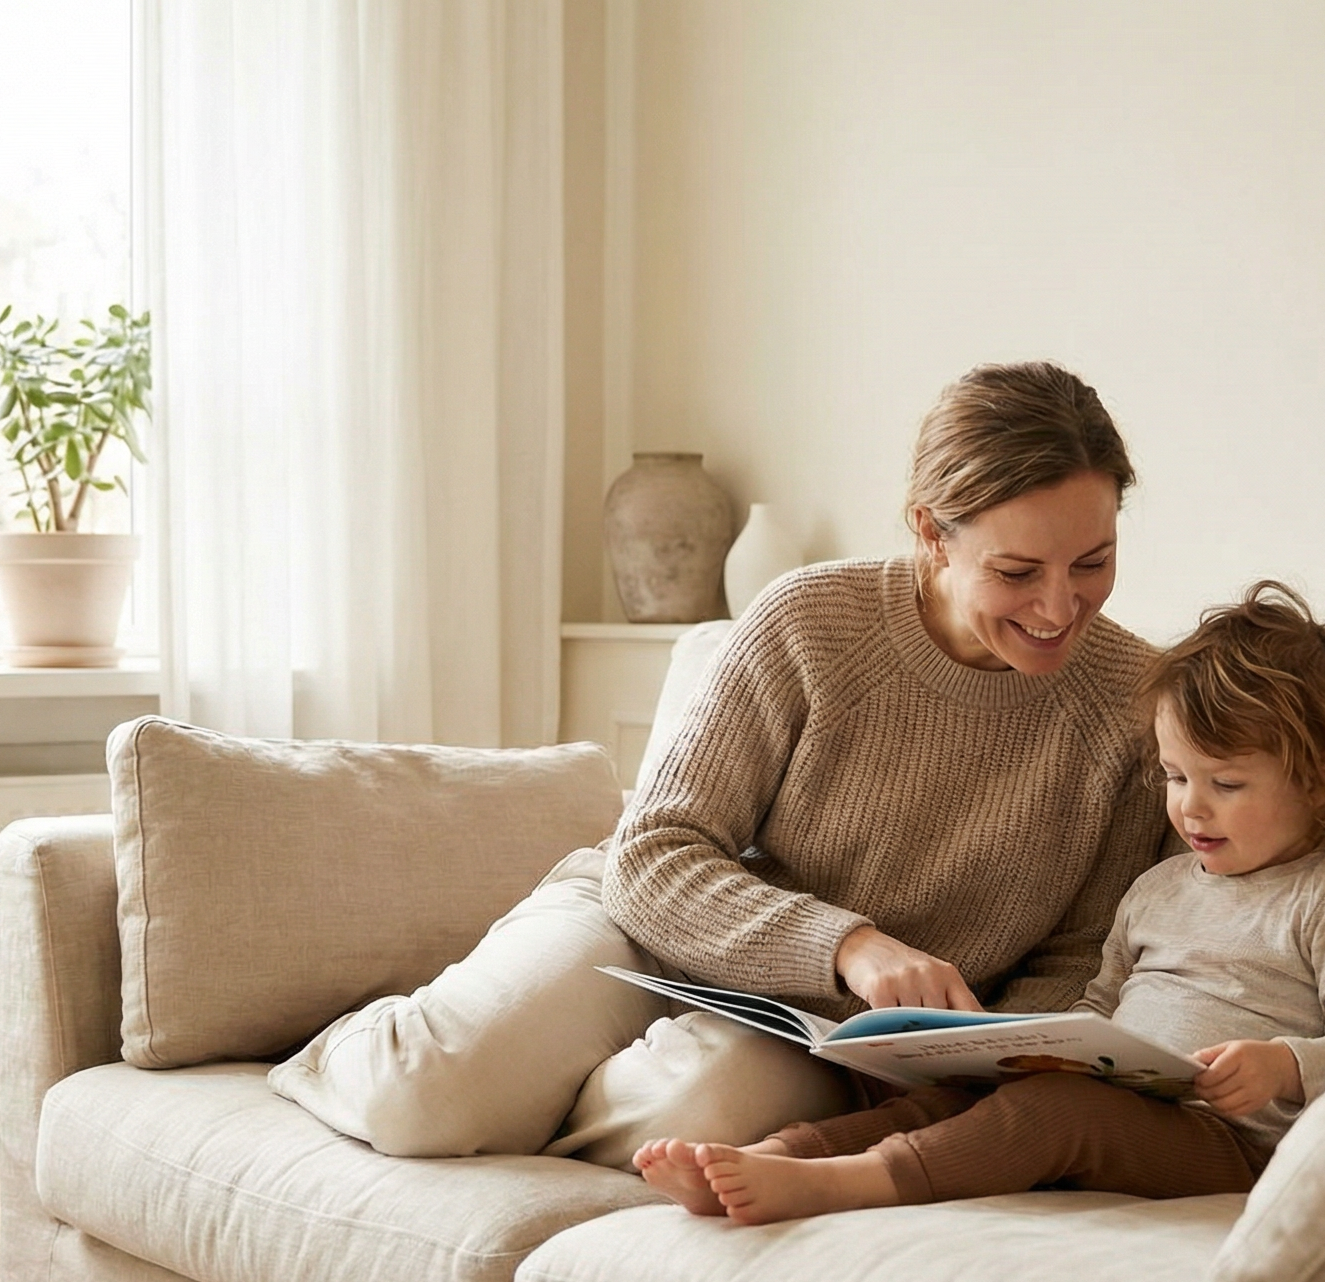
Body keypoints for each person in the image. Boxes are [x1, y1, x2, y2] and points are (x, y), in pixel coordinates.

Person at [275, 361, 1169, 1167]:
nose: (1062, 605)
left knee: (695, 1117)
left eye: (1094, 561)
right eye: (1018, 572)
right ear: (931, 533)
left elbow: (1078, 956)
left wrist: (968, 1060)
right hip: (645, 926)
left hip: (824, 1034)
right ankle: (377, 1051)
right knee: (425, 1098)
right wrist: (849, 944)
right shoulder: (812, 622)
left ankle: (520, 1100)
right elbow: (656, 853)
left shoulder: (1133, 704)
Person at [636, 580, 1325, 1221]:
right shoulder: (1159, 888)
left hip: (1236, 1143)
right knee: (970, 1095)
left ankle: (845, 1185)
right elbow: (1095, 1003)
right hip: (1128, 1104)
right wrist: (1031, 1049)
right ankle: (782, 1154)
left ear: (1321, 777)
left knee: (1060, 1114)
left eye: (1227, 784)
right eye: (1176, 777)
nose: (1191, 810)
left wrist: (1284, 1066)